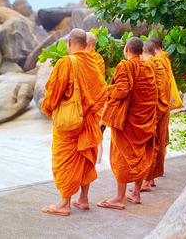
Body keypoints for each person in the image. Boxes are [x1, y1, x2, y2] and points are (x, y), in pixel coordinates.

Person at [41, 28, 107, 216]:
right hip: (88, 121)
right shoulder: (93, 62)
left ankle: (64, 203)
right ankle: (83, 199)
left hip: (70, 125)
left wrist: (47, 108)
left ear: (69, 43)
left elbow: (53, 92)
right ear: (86, 45)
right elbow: (103, 92)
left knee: (64, 160)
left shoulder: (66, 62)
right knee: (85, 158)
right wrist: (89, 113)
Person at [98, 37, 157, 210]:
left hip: (128, 120)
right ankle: (136, 194)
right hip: (145, 119)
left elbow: (122, 90)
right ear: (141, 52)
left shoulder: (125, 66)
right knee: (140, 156)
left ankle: (119, 198)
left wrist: (107, 90)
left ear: (126, 49)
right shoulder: (149, 66)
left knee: (122, 156)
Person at [129, 40, 171, 192]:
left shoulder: (150, 65)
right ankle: (150, 179)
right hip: (161, 110)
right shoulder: (158, 63)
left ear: (141, 52)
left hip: (154, 112)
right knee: (154, 144)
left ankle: (146, 182)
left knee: (150, 146)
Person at [85, 32, 106, 164]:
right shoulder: (99, 59)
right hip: (97, 101)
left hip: (88, 102)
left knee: (94, 133)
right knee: (97, 133)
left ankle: (94, 162)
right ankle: (97, 163)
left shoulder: (79, 58)